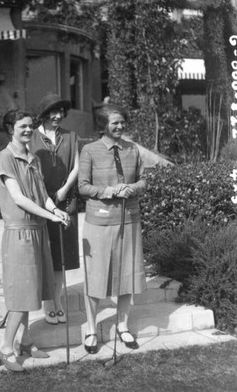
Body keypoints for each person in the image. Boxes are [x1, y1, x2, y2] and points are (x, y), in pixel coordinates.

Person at [0, 109, 70, 372]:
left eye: (30, 126)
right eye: (22, 127)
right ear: (10, 129)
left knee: (33, 291)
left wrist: (55, 210)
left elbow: (41, 195)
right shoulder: (5, 158)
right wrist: (49, 217)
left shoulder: (33, 158)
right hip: (19, 233)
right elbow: (19, 198)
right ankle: (5, 348)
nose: (27, 130)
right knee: (20, 296)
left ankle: (25, 341)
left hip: (37, 230)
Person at [78, 103, 147, 354]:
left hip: (129, 219)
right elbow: (83, 186)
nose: (120, 126)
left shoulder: (132, 149)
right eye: (114, 123)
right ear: (102, 125)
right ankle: (91, 330)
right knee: (97, 277)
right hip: (100, 223)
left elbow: (143, 179)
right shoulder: (89, 150)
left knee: (127, 274)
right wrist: (107, 191)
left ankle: (122, 324)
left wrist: (133, 188)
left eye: (122, 122)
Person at [29, 93, 80, 325]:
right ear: (44, 114)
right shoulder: (31, 138)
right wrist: (46, 196)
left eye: (61, 111)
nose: (58, 115)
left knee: (61, 257)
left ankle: (57, 300)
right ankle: (48, 302)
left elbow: (76, 166)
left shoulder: (70, 136)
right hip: (40, 204)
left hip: (65, 202)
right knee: (45, 254)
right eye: (53, 111)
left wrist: (64, 189)